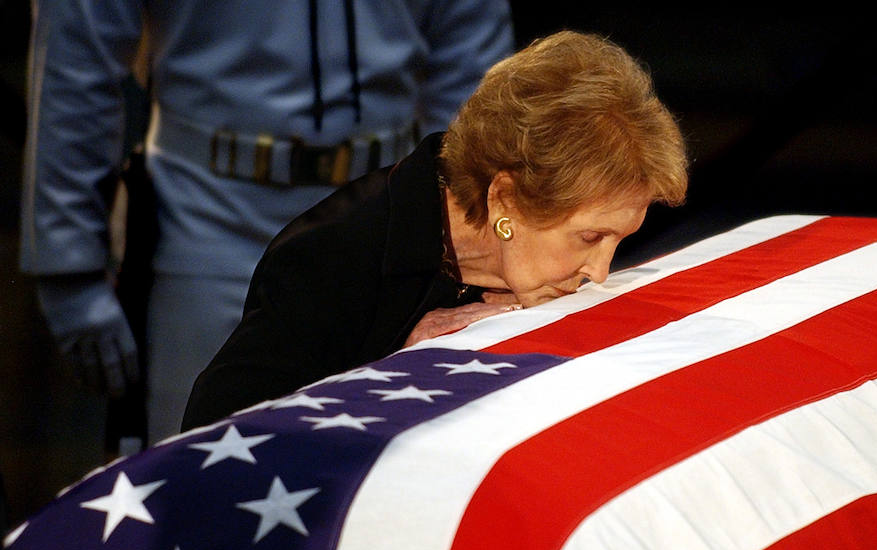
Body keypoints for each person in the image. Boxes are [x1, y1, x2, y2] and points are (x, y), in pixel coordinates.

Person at [20, 0, 514, 446]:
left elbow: (473, 65)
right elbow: (76, 49)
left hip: (398, 213)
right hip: (208, 213)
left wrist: (479, 229)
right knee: (201, 467)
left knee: (390, 468)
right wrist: (69, 264)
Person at [181, 30, 689, 431]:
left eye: (618, 240)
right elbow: (216, 444)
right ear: (504, 199)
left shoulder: (533, 258)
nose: (600, 273)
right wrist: (393, 378)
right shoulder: (332, 258)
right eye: (590, 238)